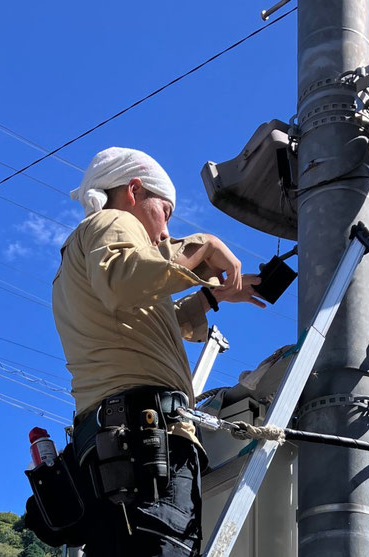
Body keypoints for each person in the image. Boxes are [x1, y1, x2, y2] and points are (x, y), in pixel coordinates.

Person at [51, 147, 265, 556]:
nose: (166, 232)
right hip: (145, 444)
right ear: (133, 190)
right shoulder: (111, 221)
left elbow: (150, 319)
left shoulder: (76, 263)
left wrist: (211, 297)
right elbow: (124, 279)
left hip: (111, 451)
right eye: (165, 212)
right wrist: (204, 246)